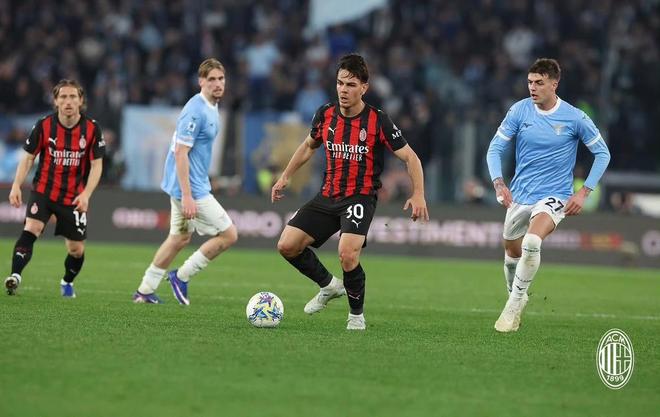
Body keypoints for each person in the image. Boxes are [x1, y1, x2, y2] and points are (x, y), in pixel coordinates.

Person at [272, 53, 429, 330]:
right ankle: (329, 286)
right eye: (340, 83)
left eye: (351, 85)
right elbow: (309, 145)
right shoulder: (325, 114)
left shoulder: (378, 120)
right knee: (287, 245)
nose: (343, 90)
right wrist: (286, 176)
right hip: (328, 195)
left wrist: (418, 194)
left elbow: (410, 157)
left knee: (347, 254)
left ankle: (356, 316)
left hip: (360, 197)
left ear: (364, 88)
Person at [486, 58, 610, 332]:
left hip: (555, 195)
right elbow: (495, 148)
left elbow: (603, 154)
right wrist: (498, 182)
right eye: (530, 82)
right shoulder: (519, 111)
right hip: (520, 195)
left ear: (554, 84)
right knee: (511, 253)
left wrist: (583, 192)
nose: (532, 87)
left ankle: (513, 305)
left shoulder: (575, 117)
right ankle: (516, 296)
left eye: (539, 83)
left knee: (532, 241)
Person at [133, 58, 238, 305]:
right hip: (190, 190)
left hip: (188, 185)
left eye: (221, 79)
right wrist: (188, 195)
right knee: (229, 235)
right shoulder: (195, 110)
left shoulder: (211, 106)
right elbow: (180, 153)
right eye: (211, 79)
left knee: (179, 238)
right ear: (201, 81)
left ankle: (145, 290)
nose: (217, 84)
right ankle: (181, 276)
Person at [4, 79, 105, 297]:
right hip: (44, 191)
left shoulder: (92, 128)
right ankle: (15, 276)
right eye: (63, 97)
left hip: (73, 197)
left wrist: (86, 194)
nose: (68, 101)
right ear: (56, 101)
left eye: (73, 97)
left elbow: (97, 165)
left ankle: (67, 281)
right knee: (31, 228)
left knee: (76, 250)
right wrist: (16, 185)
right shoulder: (44, 125)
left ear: (80, 101)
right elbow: (28, 157)